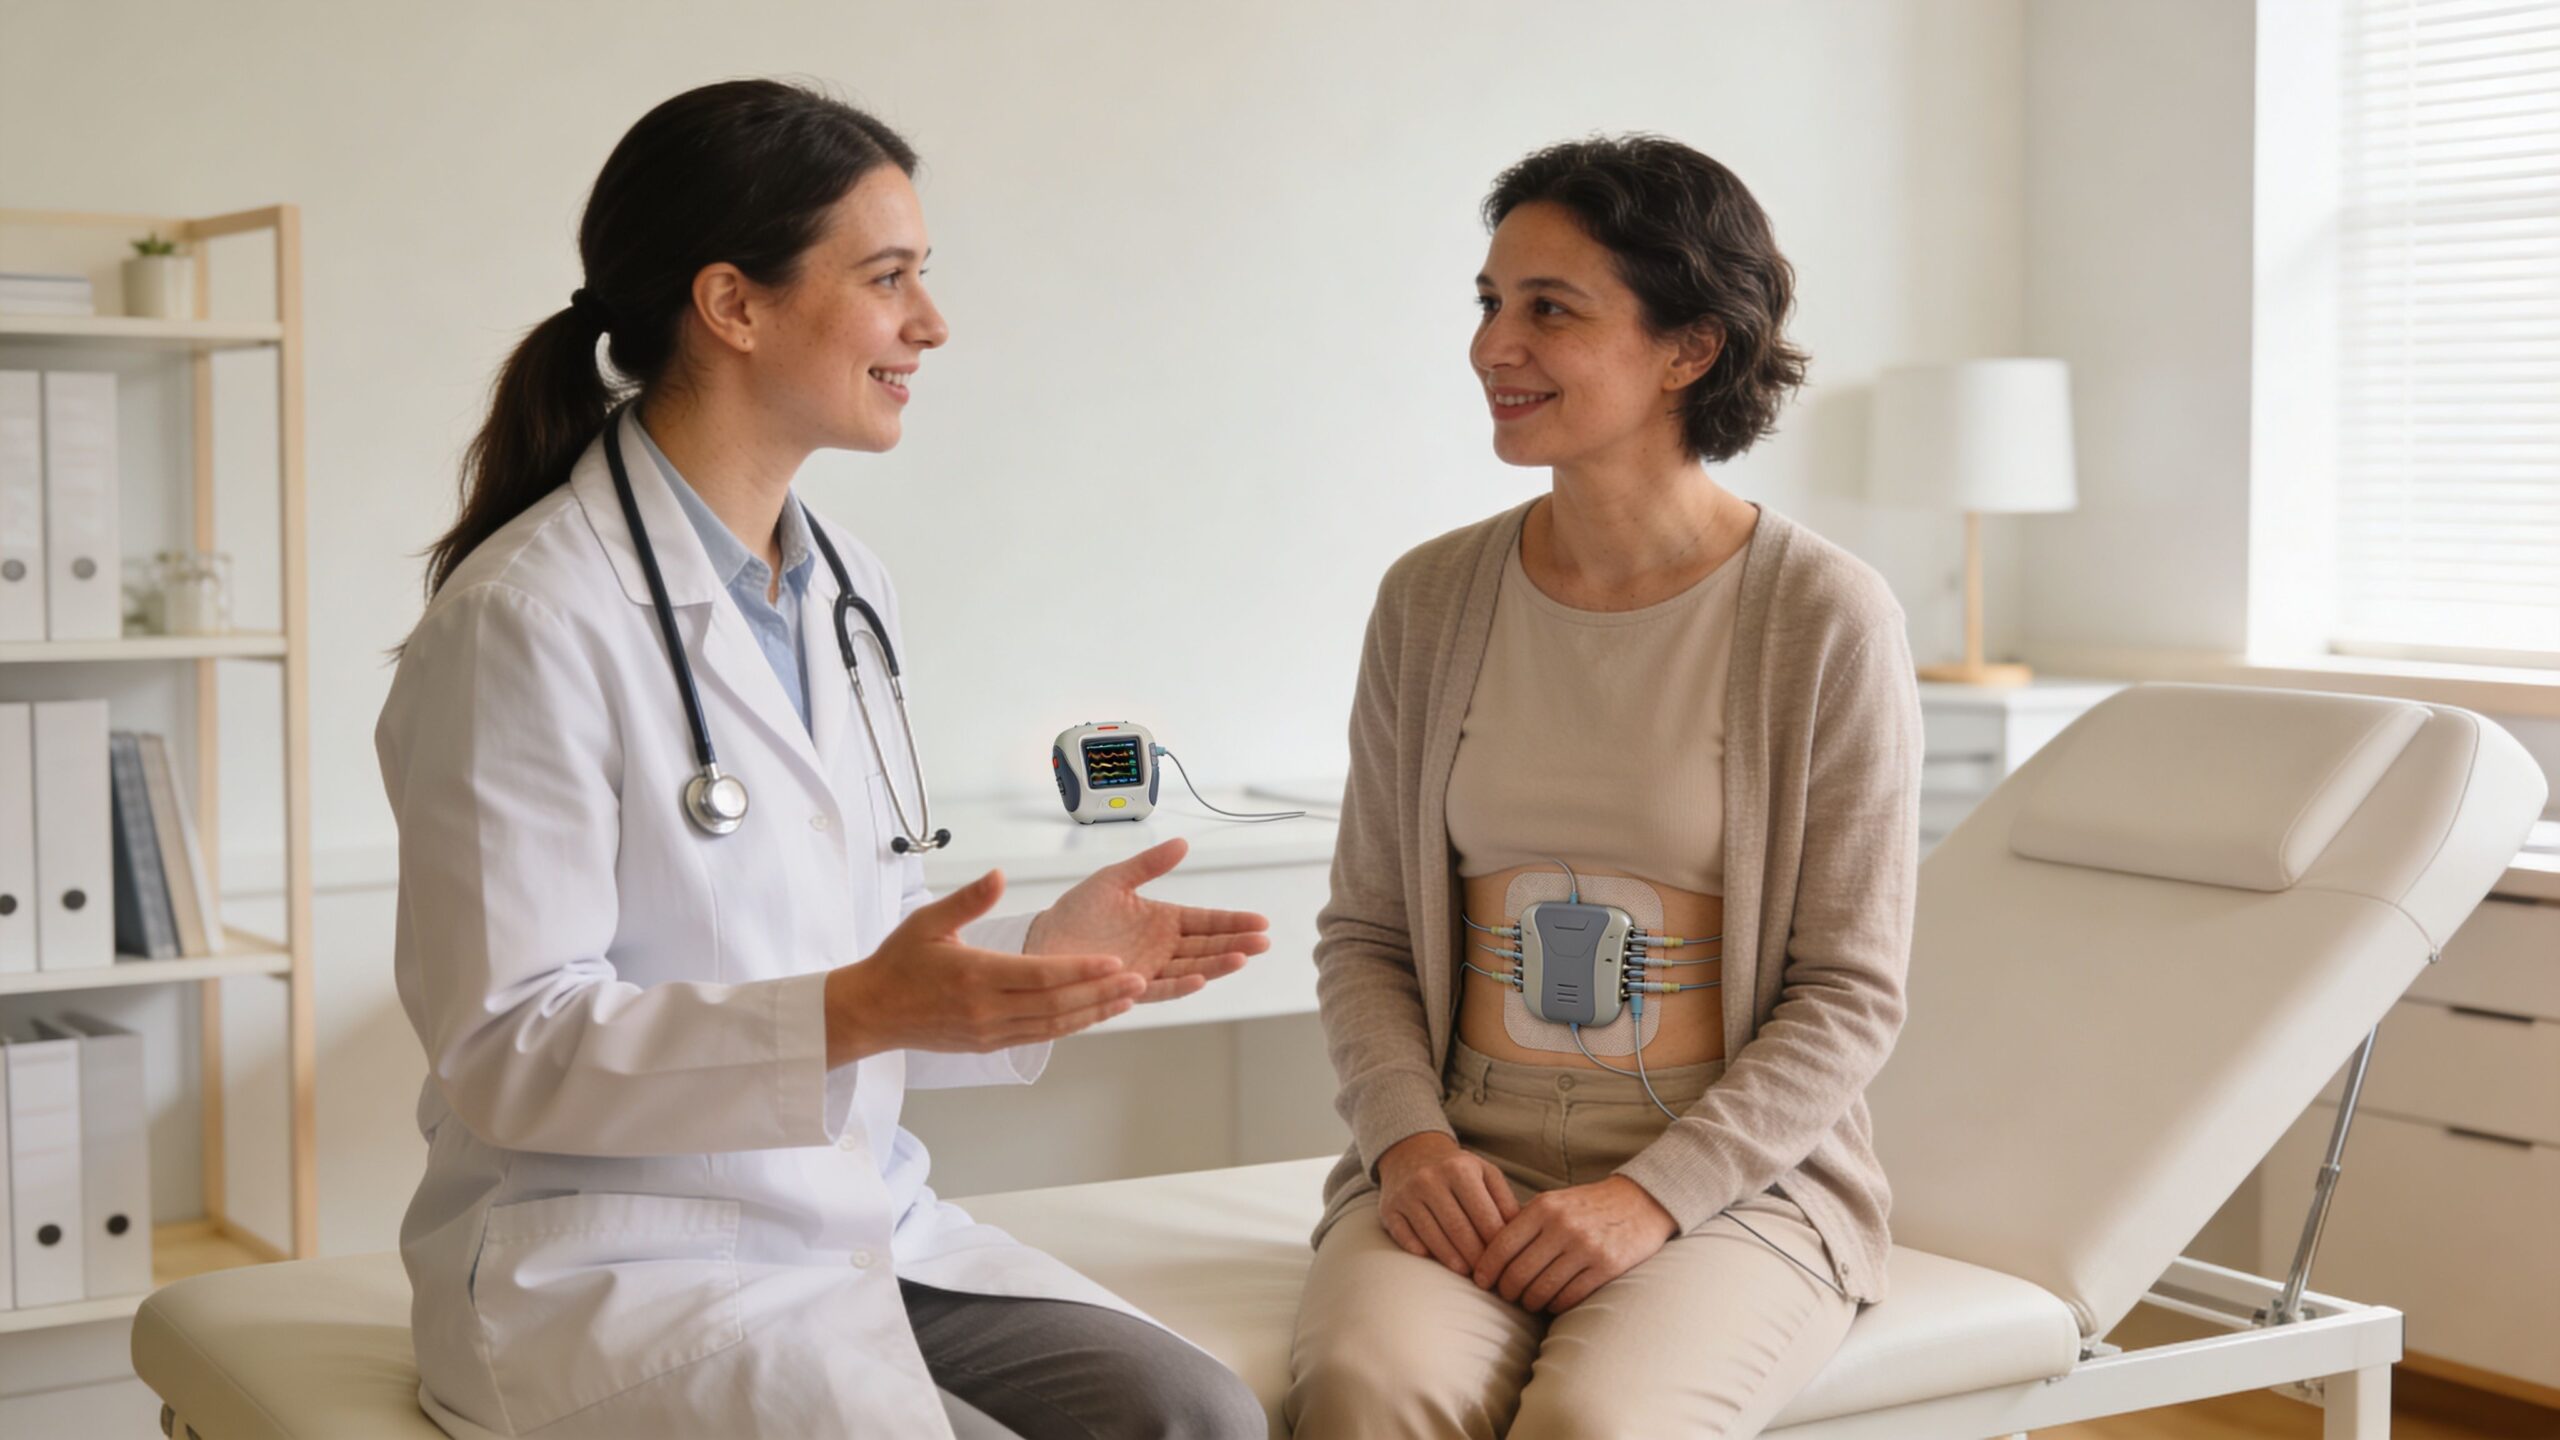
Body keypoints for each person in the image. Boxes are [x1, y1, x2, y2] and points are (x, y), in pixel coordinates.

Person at [377, 79, 1271, 1440]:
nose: (932, 323)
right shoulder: (527, 618)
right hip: (623, 1260)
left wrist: (1039, 965)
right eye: (890, 278)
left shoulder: (844, 584)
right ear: (734, 305)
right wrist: (855, 1011)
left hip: (853, 1220)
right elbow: (508, 1047)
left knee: (1195, 1415)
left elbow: (847, 943)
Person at [1286, 135, 1922, 1439]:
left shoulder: (1824, 617)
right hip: (1458, 1166)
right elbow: (1364, 936)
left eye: (1549, 311)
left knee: (1603, 1428)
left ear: (1689, 347)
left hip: (1734, 1187)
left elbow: (1850, 991)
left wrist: (1654, 1197)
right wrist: (1409, 1144)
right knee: (1368, 1391)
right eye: (1489, 303)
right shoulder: (1430, 599)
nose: (1490, 347)